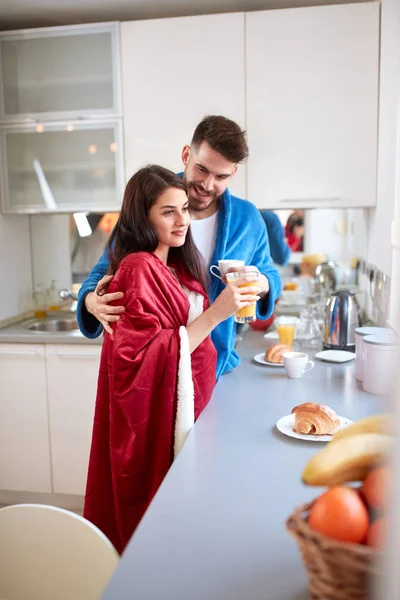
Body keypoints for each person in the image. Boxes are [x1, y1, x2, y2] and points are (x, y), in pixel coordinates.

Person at [84, 165, 260, 553]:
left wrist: (258, 286)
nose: (183, 220)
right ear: (141, 216)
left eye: (185, 209)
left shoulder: (173, 263)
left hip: (192, 406)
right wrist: (217, 313)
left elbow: (172, 337)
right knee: (165, 529)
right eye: (169, 212)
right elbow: (144, 357)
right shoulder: (137, 267)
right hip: (161, 419)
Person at [77, 115, 282, 379]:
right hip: (158, 368)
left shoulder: (248, 219)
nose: (208, 185)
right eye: (202, 169)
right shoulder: (149, 203)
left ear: (233, 173)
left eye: (221, 176)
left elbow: (270, 274)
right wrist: (91, 300)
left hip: (216, 365)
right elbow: (102, 272)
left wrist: (257, 283)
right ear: (186, 155)